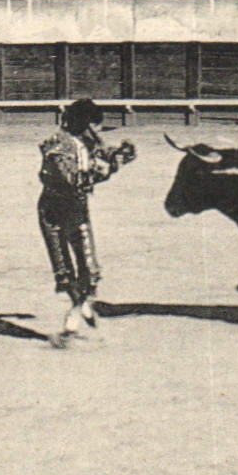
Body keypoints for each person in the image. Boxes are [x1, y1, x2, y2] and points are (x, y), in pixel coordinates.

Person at [37, 98, 136, 343]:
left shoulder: (89, 139)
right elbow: (74, 179)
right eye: (95, 124)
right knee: (64, 270)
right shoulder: (56, 144)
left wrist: (120, 154)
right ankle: (77, 306)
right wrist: (111, 168)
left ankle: (77, 309)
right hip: (54, 209)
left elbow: (104, 152)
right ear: (83, 123)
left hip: (77, 208)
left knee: (88, 267)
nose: (99, 130)